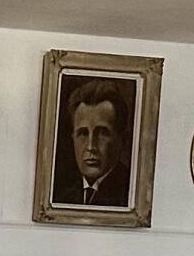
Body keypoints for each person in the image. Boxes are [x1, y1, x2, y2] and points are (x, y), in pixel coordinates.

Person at [52, 79, 134, 209]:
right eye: (83, 133)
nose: (91, 147)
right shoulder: (62, 197)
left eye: (102, 133)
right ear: (73, 137)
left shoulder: (131, 195)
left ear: (121, 139)